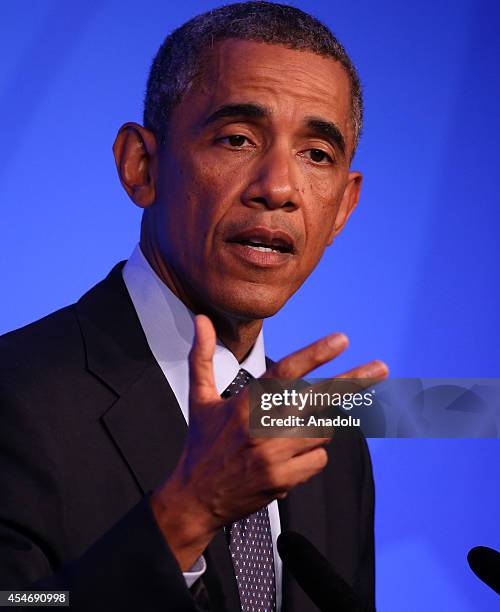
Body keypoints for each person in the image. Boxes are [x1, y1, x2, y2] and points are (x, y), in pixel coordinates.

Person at [0, 2, 388, 610]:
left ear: (343, 207)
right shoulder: (15, 394)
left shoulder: (330, 446)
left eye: (317, 154)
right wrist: (188, 514)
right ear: (141, 166)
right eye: (238, 139)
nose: (279, 189)